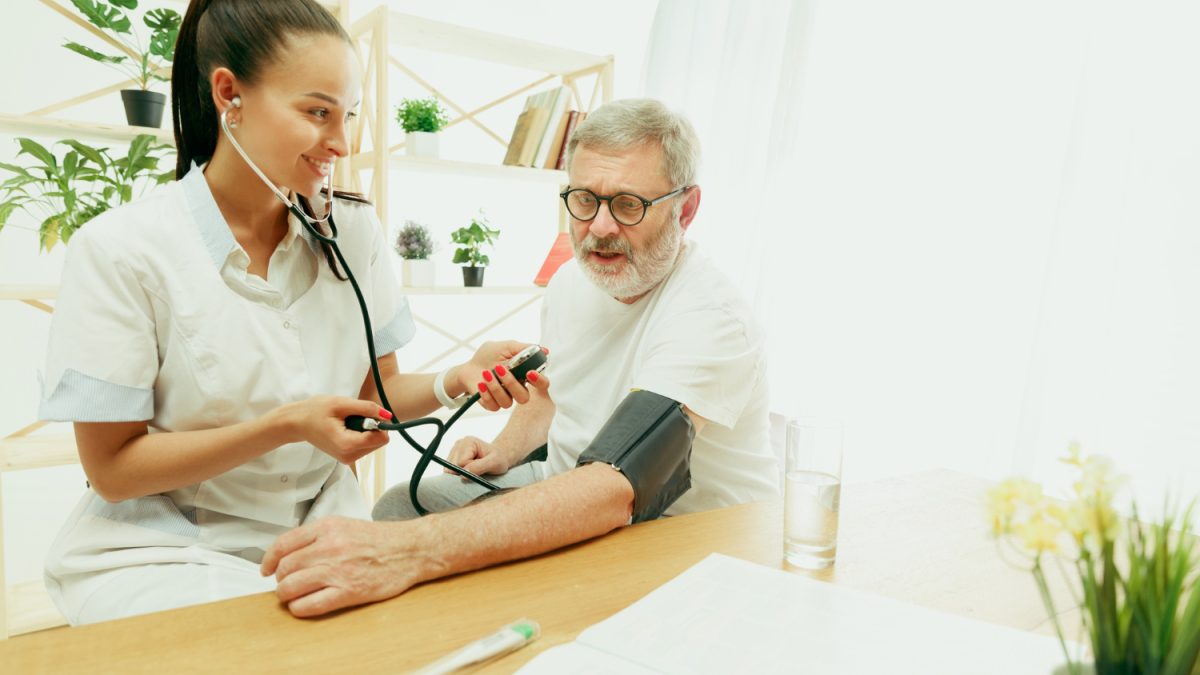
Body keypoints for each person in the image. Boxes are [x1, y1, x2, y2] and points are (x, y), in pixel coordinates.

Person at [38, 0, 531, 626]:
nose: (343, 142)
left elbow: (369, 393)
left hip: (320, 528)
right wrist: (286, 425)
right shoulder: (122, 250)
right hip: (166, 547)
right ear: (229, 94)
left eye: (348, 115)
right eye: (317, 112)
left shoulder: (351, 231)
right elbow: (112, 470)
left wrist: (453, 378)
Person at [261, 98, 778, 618]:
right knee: (400, 506)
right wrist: (503, 451)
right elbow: (555, 394)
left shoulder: (710, 319)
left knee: (425, 550)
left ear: (685, 209)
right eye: (583, 199)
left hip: (681, 532)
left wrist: (414, 552)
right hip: (574, 484)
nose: (598, 228)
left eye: (627, 205)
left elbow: (620, 483)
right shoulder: (573, 282)